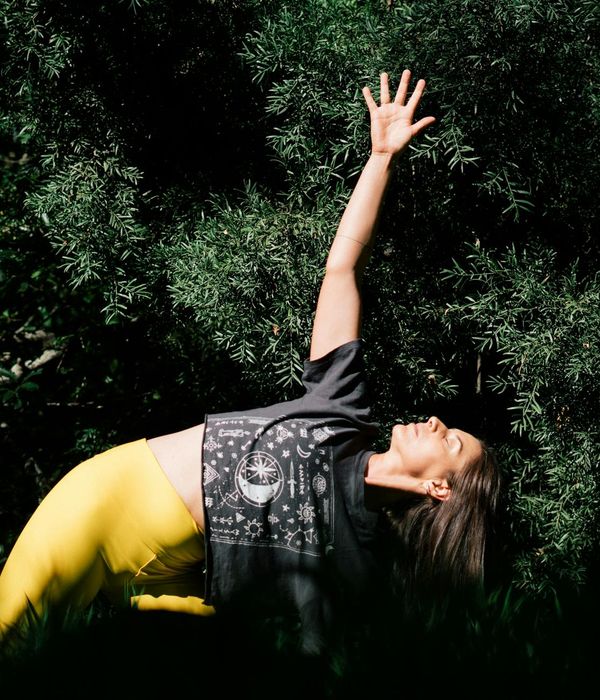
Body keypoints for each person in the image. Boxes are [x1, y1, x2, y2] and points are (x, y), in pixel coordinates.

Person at [0, 69, 501, 654]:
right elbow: (342, 270)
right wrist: (381, 159)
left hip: (168, 585)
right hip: (107, 507)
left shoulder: (357, 563)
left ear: (441, 489)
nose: (439, 423)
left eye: (453, 442)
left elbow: (316, 657)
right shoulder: (340, 411)